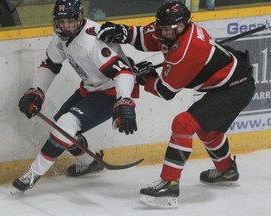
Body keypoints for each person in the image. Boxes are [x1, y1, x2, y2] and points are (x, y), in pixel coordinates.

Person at [97, 1, 255, 208]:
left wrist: (146, 78)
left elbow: (166, 91)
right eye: (162, 27)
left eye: (172, 28)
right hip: (225, 82)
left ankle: (169, 185)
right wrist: (123, 32)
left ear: (184, 25)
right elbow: (145, 38)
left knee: (183, 124)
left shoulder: (187, 50)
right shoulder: (168, 27)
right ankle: (227, 170)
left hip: (236, 88)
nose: (165, 32)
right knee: (208, 131)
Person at [12, 0, 137, 192]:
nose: (66, 26)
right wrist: (37, 90)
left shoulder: (91, 39)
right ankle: (91, 162)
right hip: (89, 88)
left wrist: (124, 100)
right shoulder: (60, 36)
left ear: (79, 19)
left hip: (111, 93)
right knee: (60, 127)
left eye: (70, 21)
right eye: (61, 21)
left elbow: (124, 73)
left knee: (64, 126)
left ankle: (33, 174)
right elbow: (50, 65)